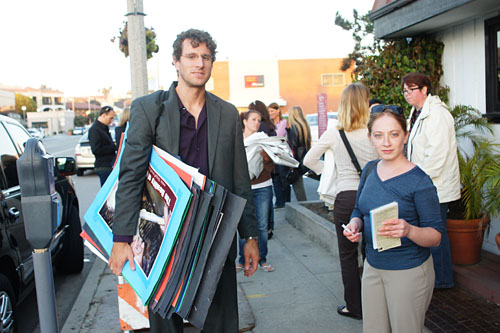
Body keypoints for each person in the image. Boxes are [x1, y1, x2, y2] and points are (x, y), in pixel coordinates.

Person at [108, 29, 260, 332]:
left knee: (221, 323)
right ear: (176, 62)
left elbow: (240, 179)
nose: (199, 63)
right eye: (191, 56)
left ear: (212, 63)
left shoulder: (228, 114)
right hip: (164, 238)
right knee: (165, 325)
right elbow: (131, 175)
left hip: (214, 234)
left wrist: (251, 236)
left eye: (205, 57)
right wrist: (121, 238)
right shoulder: (148, 109)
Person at [344, 106, 443, 333]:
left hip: (408, 271)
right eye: (379, 135)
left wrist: (408, 230)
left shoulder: (419, 181)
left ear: (405, 136)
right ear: (370, 138)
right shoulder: (369, 170)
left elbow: (436, 236)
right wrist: (354, 225)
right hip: (372, 266)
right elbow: (359, 209)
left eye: (394, 134)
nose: (386, 142)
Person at [303, 82, 378, 320]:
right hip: (375, 195)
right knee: (374, 252)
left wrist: (331, 172)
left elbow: (309, 160)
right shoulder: (374, 129)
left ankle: (354, 307)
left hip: (346, 197)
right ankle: (378, 303)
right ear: (365, 103)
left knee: (347, 255)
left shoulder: (335, 132)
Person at [402, 72, 460, 289]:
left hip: (435, 186)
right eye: (405, 90)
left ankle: (443, 279)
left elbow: (437, 155)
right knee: (432, 231)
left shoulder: (437, 114)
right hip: (424, 184)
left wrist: (417, 182)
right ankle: (435, 277)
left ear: (425, 89)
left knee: (436, 233)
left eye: (412, 89)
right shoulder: (416, 112)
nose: (407, 94)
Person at [236, 110, 276, 273]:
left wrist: (267, 158)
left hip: (262, 186)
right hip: (242, 187)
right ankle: (242, 259)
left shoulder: (264, 140)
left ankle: (262, 259)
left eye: (259, 120)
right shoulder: (236, 140)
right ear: (244, 121)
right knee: (242, 223)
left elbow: (272, 167)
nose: (257, 123)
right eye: (253, 119)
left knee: (262, 224)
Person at [286, 106, 311, 202]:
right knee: (299, 187)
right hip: (304, 159)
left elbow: (293, 147)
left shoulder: (294, 129)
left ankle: (304, 209)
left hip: (296, 161)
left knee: (298, 189)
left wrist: (291, 164)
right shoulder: (305, 127)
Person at [88, 105, 116, 186]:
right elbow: (96, 150)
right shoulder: (95, 130)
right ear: (103, 115)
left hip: (109, 164)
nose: (111, 121)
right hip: (103, 166)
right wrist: (113, 147)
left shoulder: (104, 128)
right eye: (110, 118)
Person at [268, 102, 287, 210]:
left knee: (282, 178)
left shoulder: (283, 122)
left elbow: (278, 136)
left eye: (272, 111)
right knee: (275, 179)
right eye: (269, 111)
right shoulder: (270, 123)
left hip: (280, 153)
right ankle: (279, 202)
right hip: (272, 153)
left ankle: (286, 201)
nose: (271, 113)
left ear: (278, 110)